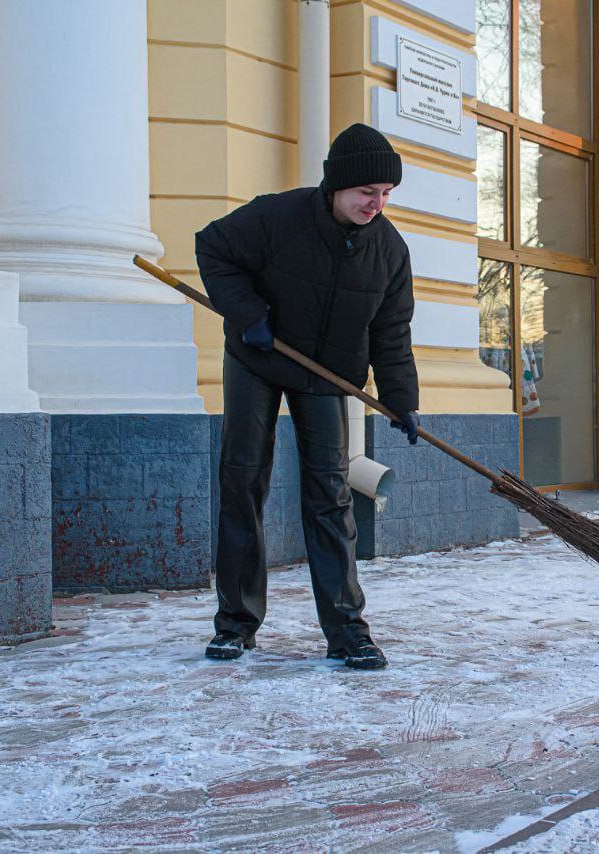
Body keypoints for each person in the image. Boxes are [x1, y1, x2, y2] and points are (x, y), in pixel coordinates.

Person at [194, 123, 420, 669]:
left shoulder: (389, 250)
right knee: (243, 478)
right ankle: (236, 623)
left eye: (386, 194)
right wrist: (248, 315)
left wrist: (400, 397)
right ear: (337, 186)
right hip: (258, 358)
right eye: (368, 192)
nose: (377, 204)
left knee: (330, 493)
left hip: (325, 374)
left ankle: (347, 631)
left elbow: (391, 331)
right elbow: (213, 248)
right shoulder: (279, 216)